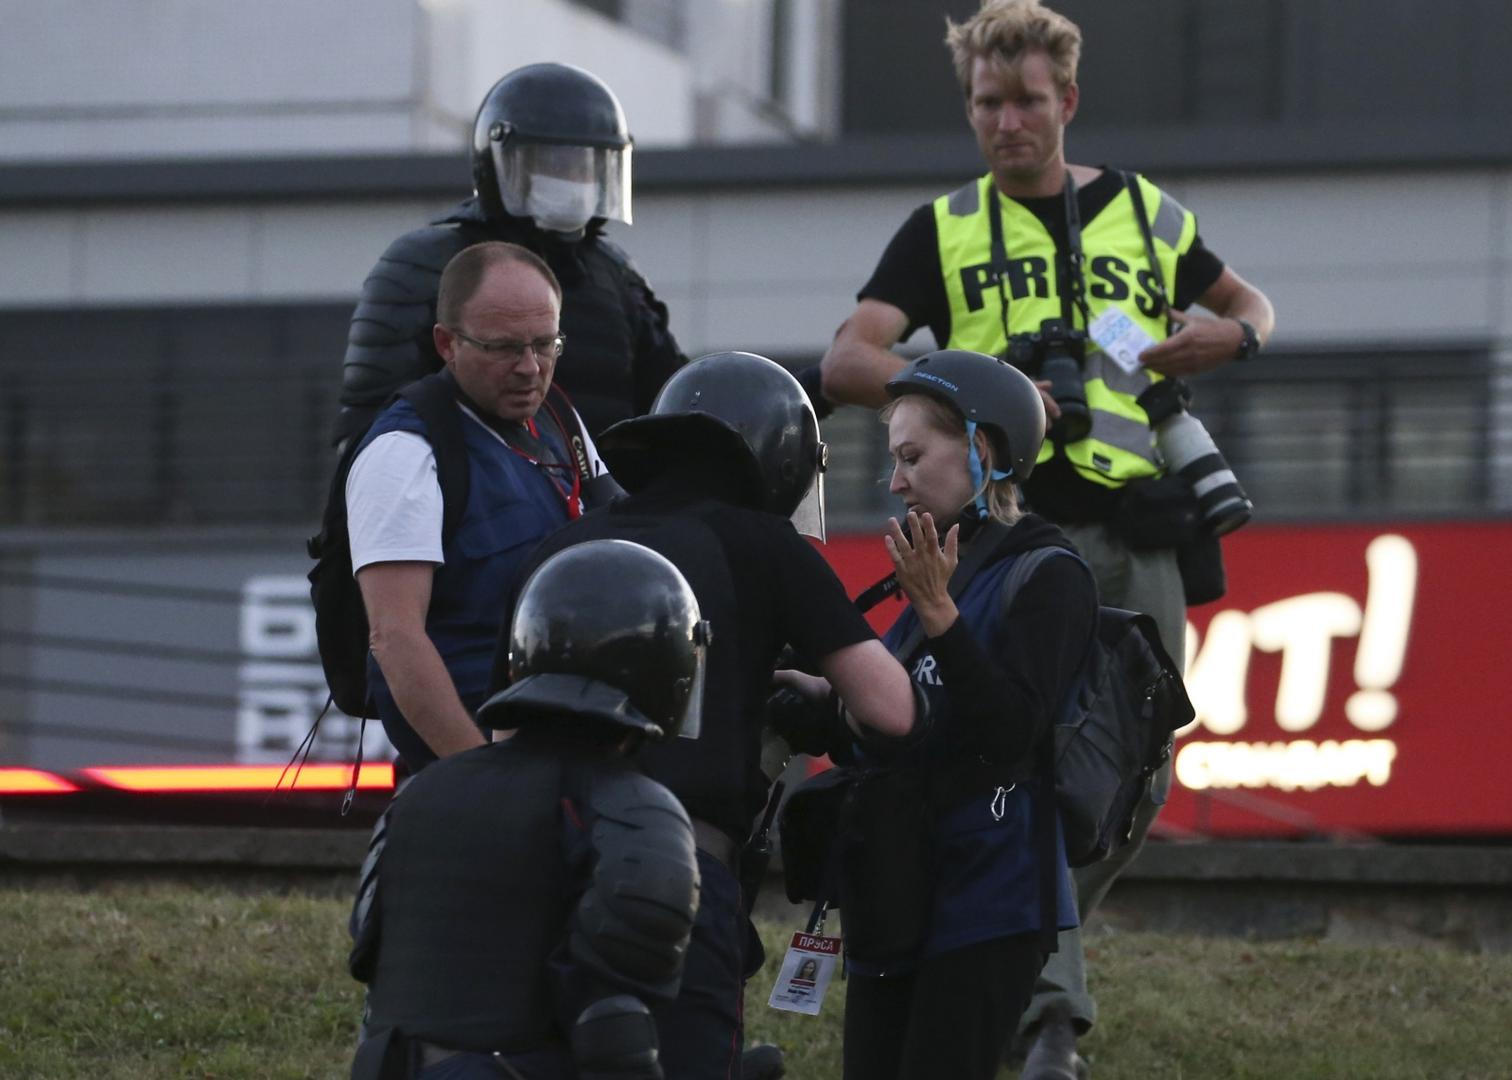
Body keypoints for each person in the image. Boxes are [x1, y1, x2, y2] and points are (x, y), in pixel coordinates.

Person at [816, 2, 1277, 1073]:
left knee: (1136, 761)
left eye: (1027, 101)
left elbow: (1249, 299)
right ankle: (1052, 1010)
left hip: (1137, 521)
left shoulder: (1144, 212)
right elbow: (847, 361)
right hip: (1011, 530)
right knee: (1008, 750)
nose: (1007, 121)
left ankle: (1033, 954)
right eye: (987, 102)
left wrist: (1236, 334)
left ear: (1067, 100)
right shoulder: (944, 227)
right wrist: (971, 386)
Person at [489, 351, 925, 1080]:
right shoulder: (767, 546)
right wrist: (810, 698)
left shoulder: (561, 548)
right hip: (679, 877)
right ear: (783, 460)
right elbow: (893, 709)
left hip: (533, 869)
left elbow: (503, 735)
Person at [778, 349, 1094, 1080]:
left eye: (913, 455)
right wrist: (811, 692)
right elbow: (895, 723)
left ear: (983, 450)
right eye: (894, 460)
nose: (895, 481)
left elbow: (1008, 731)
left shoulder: (1048, 574)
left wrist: (940, 615)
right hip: (897, 888)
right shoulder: (930, 577)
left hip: (992, 899)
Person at [347, 538, 705, 1080]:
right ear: (666, 664)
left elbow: (376, 974)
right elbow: (613, 1024)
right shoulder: (632, 805)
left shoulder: (420, 792)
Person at [347, 240, 617, 771]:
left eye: (545, 344)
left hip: (575, 754)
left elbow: (628, 535)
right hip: (471, 773)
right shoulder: (404, 452)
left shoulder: (560, 419)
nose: (529, 368)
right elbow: (395, 638)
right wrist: (481, 777)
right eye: (502, 348)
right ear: (447, 344)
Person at [336, 61, 684, 446]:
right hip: (474, 498)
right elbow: (369, 429)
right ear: (499, 162)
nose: (571, 180)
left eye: (585, 165)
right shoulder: (423, 263)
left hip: (606, 500)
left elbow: (673, 408)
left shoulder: (617, 275)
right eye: (553, 164)